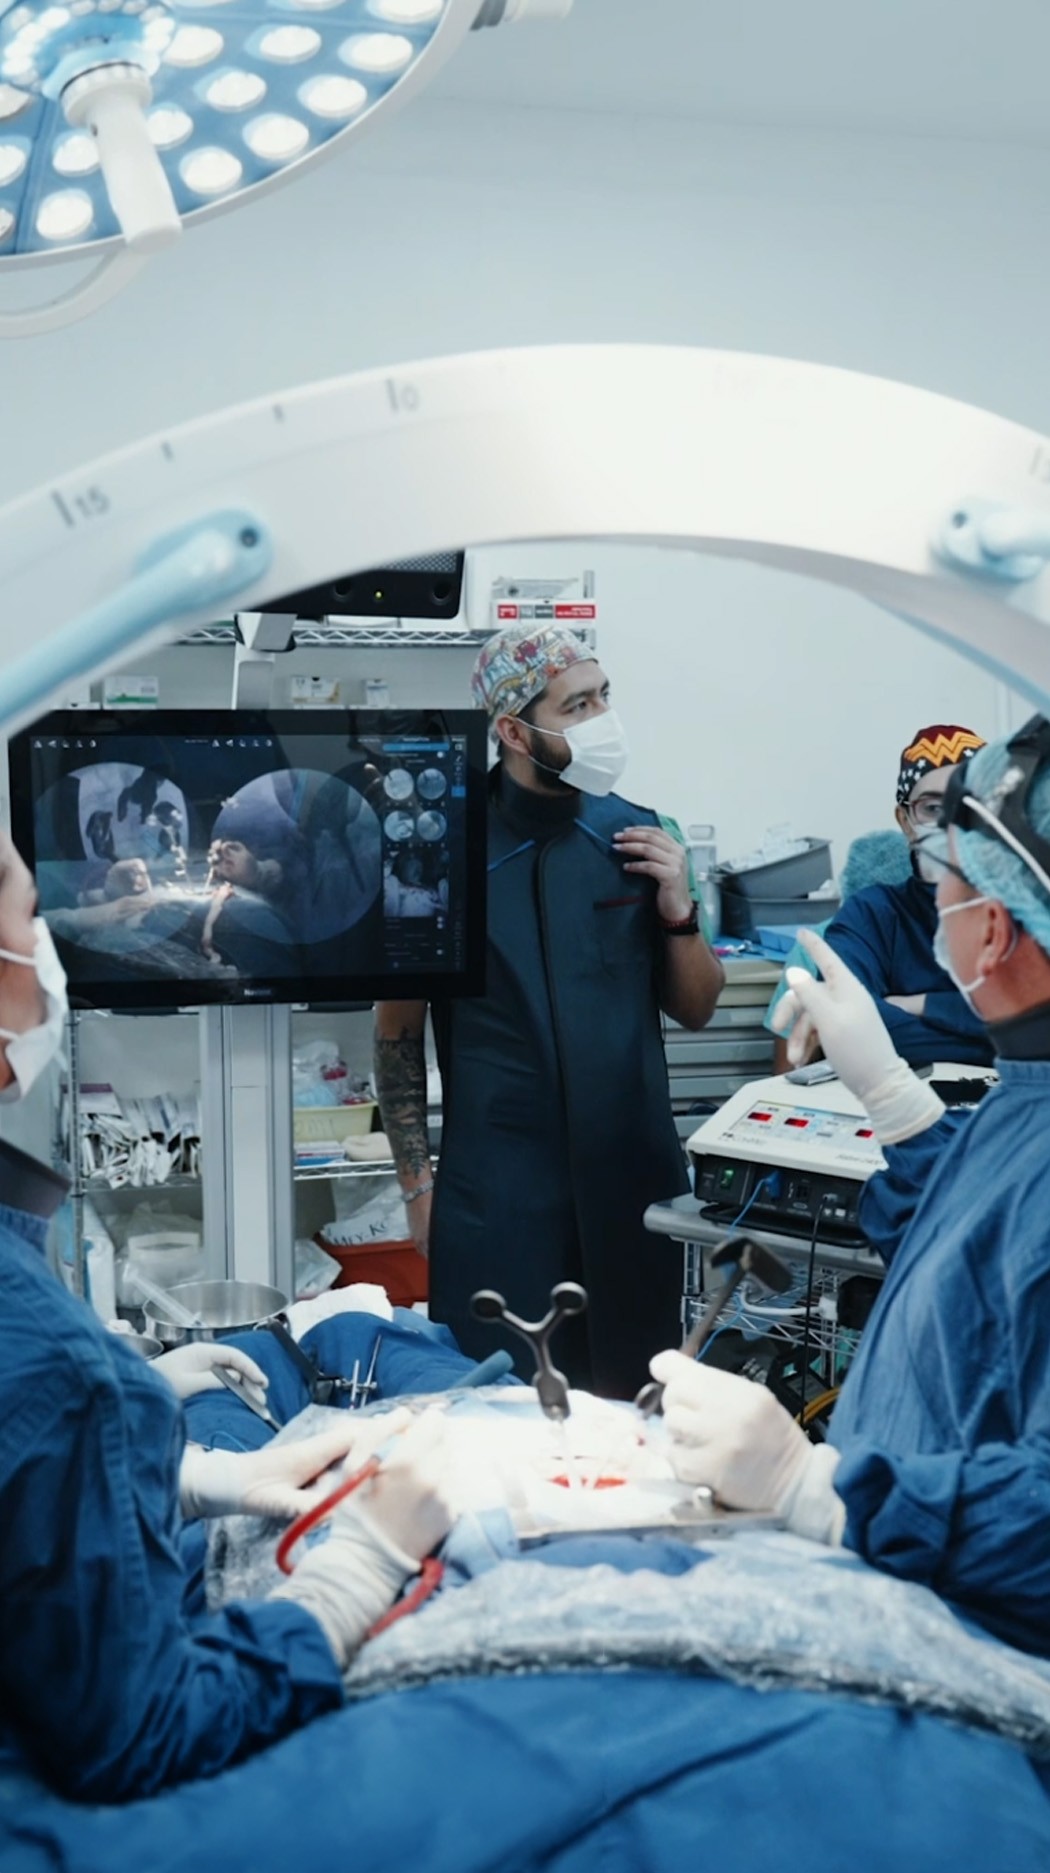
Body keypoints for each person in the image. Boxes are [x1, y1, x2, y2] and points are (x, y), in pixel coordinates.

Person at [0, 829, 454, 1802]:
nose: (54, 939)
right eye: (33, 914)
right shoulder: (47, 1361)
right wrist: (359, 1566)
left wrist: (181, 1474)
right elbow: (148, 1733)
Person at [649, 714, 1050, 1656]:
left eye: (948, 877)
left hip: (965, 1648)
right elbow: (962, 1239)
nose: (930, 898)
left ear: (993, 928)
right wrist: (896, 1104)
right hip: (890, 1587)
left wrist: (819, 1493)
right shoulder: (1024, 1093)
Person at [374, 623, 724, 1399]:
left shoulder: (640, 835)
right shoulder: (439, 855)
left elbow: (697, 1007)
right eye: (577, 705)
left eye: (603, 696)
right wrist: (417, 1188)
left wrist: (679, 910)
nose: (603, 718)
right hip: (500, 1199)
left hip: (634, 1189)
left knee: (635, 1414)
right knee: (498, 1414)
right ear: (513, 731)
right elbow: (396, 1031)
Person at [812, 723, 995, 1068]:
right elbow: (846, 1023)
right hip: (901, 1097)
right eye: (933, 808)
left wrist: (923, 1004)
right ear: (906, 821)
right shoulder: (870, 915)